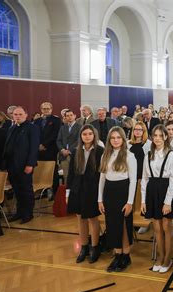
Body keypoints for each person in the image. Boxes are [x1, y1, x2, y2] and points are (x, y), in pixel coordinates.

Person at [141, 125, 173, 273]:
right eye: (155, 135)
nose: (157, 138)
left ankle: (168, 259)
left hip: (165, 191)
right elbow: (144, 179)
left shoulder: (170, 155)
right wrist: (143, 200)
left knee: (166, 227)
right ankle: (160, 256)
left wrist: (168, 201)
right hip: (152, 190)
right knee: (156, 228)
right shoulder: (148, 155)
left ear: (165, 137)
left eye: (160, 135)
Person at [98, 126, 137, 272]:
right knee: (112, 225)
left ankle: (126, 255)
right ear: (109, 140)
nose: (115, 140)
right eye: (113, 138)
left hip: (123, 191)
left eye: (118, 138)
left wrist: (130, 202)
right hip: (109, 192)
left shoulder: (129, 155)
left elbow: (133, 181)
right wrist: (99, 199)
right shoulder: (105, 155)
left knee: (123, 226)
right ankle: (117, 254)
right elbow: (102, 178)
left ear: (123, 139)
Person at [66, 125, 104, 264]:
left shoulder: (100, 151)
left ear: (94, 135)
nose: (87, 136)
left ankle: (95, 247)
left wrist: (101, 195)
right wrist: (68, 192)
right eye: (84, 134)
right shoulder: (76, 151)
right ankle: (84, 247)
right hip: (77, 189)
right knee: (80, 219)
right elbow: (70, 173)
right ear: (81, 136)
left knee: (92, 219)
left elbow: (102, 175)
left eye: (89, 134)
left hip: (92, 190)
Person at [3, 106, 40, 224]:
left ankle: (28, 214)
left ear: (26, 115)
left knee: (26, 190)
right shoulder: (12, 128)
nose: (17, 116)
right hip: (11, 165)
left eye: (20, 114)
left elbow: (34, 148)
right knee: (17, 191)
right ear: (12, 116)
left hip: (25, 166)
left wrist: (30, 164)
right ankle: (19, 212)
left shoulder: (32, 128)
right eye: (15, 114)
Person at [33, 102, 62, 196]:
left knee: (52, 172)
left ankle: (55, 192)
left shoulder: (56, 120)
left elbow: (55, 134)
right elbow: (34, 135)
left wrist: (44, 144)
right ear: (41, 109)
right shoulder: (37, 121)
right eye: (44, 109)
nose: (46, 110)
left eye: (47, 108)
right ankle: (43, 192)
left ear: (51, 109)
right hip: (39, 151)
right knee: (41, 171)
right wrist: (38, 145)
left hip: (51, 149)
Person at [56, 109, 80, 184]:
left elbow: (79, 140)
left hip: (74, 154)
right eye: (67, 116)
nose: (69, 117)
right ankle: (67, 193)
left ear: (75, 116)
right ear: (65, 117)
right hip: (63, 155)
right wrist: (62, 150)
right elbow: (58, 140)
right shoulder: (63, 127)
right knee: (66, 176)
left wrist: (69, 150)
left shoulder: (80, 127)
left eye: (71, 115)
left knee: (76, 175)